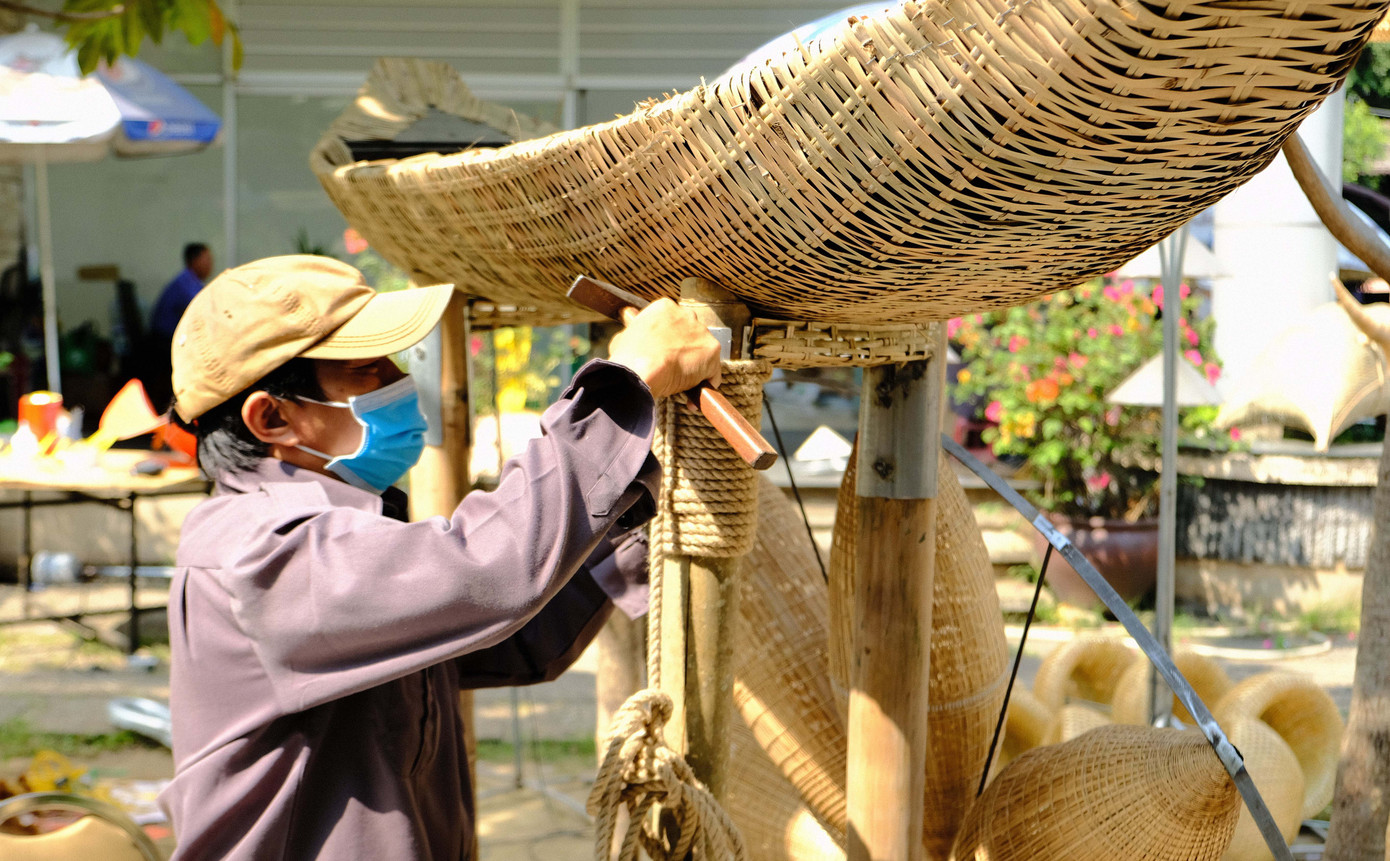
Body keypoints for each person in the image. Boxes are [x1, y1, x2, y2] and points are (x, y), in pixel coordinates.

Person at [157, 255, 721, 860]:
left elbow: (508, 638)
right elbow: (486, 570)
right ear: (272, 418)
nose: (399, 379)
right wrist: (618, 393)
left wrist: (621, 510)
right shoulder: (260, 550)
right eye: (368, 369)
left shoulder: (337, 529)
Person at [143, 243, 214, 409]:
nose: (211, 264)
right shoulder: (186, 283)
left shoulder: (189, 280)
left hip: (167, 340)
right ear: (195, 261)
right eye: (207, 259)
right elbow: (204, 308)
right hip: (164, 341)